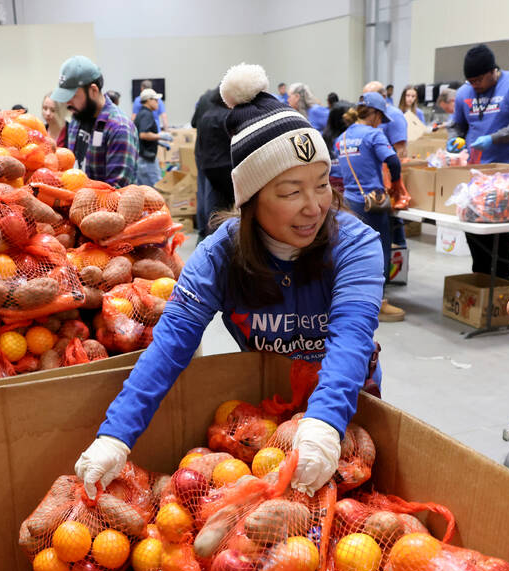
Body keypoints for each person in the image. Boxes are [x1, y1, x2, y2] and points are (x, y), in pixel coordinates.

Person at [74, 63, 385, 498]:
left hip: (347, 415)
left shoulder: (356, 246)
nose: (314, 206)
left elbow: (351, 338)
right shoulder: (219, 257)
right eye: (291, 192)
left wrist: (325, 425)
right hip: (265, 427)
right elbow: (169, 347)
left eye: (321, 184)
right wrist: (115, 436)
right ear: (251, 201)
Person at [446, 44, 509, 281]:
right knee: (474, 228)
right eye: (470, 80)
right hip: (475, 173)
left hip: (508, 174)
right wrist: (455, 138)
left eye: (478, 79)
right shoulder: (465, 93)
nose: (474, 85)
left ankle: (501, 282)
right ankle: (481, 277)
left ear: (493, 71)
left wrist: (493, 138)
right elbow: (457, 124)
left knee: (499, 234)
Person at [332, 93, 404, 323]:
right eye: (380, 117)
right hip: (373, 203)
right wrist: (396, 185)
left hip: (351, 201)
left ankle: (354, 298)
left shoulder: (341, 139)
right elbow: (393, 161)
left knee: (354, 250)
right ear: (373, 114)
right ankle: (379, 302)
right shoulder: (374, 135)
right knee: (379, 250)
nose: (381, 123)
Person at [51, 55, 138, 187]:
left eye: (73, 96)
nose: (67, 102)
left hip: (104, 207)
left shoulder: (119, 128)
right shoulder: (77, 118)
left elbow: (117, 191)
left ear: (93, 90)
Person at [192, 86, 234, 238]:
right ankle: (215, 233)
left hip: (204, 160)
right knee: (218, 203)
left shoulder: (206, 111)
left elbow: (193, 124)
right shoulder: (226, 115)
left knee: (205, 196)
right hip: (223, 164)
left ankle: (204, 230)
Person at [134, 88, 170, 186]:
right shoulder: (146, 114)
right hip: (147, 160)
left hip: (141, 158)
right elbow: (143, 134)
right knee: (156, 189)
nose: (158, 103)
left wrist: (158, 142)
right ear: (149, 100)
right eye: (156, 100)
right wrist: (160, 136)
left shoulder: (141, 113)